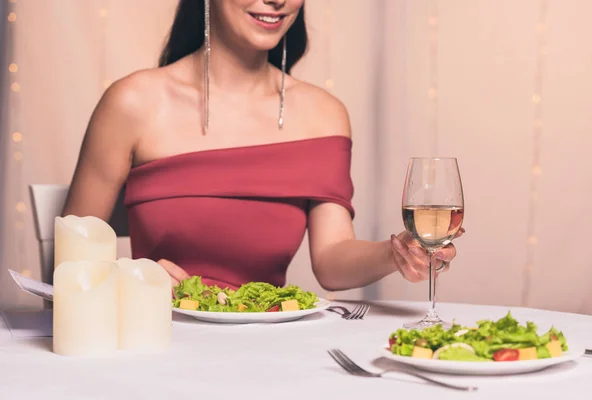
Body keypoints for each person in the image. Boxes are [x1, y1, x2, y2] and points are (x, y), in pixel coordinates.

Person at [62, 0, 463, 291]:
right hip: (155, 342)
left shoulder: (323, 113)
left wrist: (396, 253)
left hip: (271, 349)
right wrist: (134, 282)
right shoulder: (134, 102)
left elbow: (332, 259)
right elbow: (68, 264)